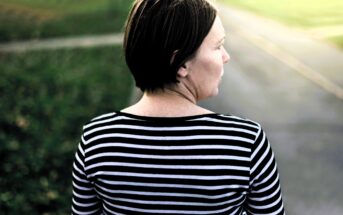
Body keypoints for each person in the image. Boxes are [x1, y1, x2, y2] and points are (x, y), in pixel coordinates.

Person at [71, 0, 285, 214]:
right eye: (218, 46)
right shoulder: (244, 142)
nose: (226, 57)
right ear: (181, 63)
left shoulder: (97, 140)